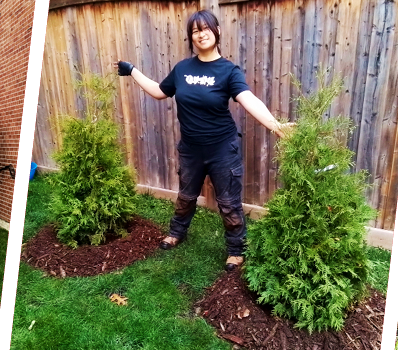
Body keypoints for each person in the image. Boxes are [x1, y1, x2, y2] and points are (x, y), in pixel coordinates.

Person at [114, 9, 292, 271]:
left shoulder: (229, 71)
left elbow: (247, 99)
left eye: (205, 28)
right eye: (195, 30)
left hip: (223, 149)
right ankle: (177, 232)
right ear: (191, 37)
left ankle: (235, 249)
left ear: (216, 30)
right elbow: (159, 92)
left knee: (228, 203)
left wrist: (275, 126)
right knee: (185, 196)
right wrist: (132, 71)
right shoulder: (182, 68)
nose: (201, 34)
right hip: (190, 149)